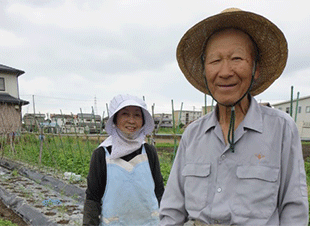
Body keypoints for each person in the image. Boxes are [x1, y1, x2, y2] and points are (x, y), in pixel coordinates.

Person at [159, 8, 309, 225]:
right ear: (204, 70)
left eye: (237, 58)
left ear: (255, 69)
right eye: (215, 61)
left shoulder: (281, 129)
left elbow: (294, 211)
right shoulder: (192, 135)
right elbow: (172, 211)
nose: (225, 71)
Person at [83, 94, 164, 225]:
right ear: (114, 120)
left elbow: (159, 192)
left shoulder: (149, 152)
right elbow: (93, 199)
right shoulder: (101, 154)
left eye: (137, 115)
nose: (131, 121)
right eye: (125, 114)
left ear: (143, 121)